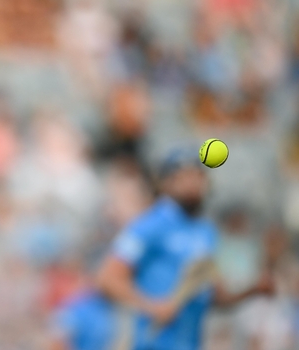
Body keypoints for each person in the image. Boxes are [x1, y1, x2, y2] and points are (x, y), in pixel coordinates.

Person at [95, 146, 273, 350]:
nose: (193, 184)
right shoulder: (150, 225)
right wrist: (152, 306)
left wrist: (251, 291)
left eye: (198, 177)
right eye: (185, 177)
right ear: (166, 183)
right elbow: (108, 278)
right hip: (153, 343)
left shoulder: (206, 231)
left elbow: (212, 295)